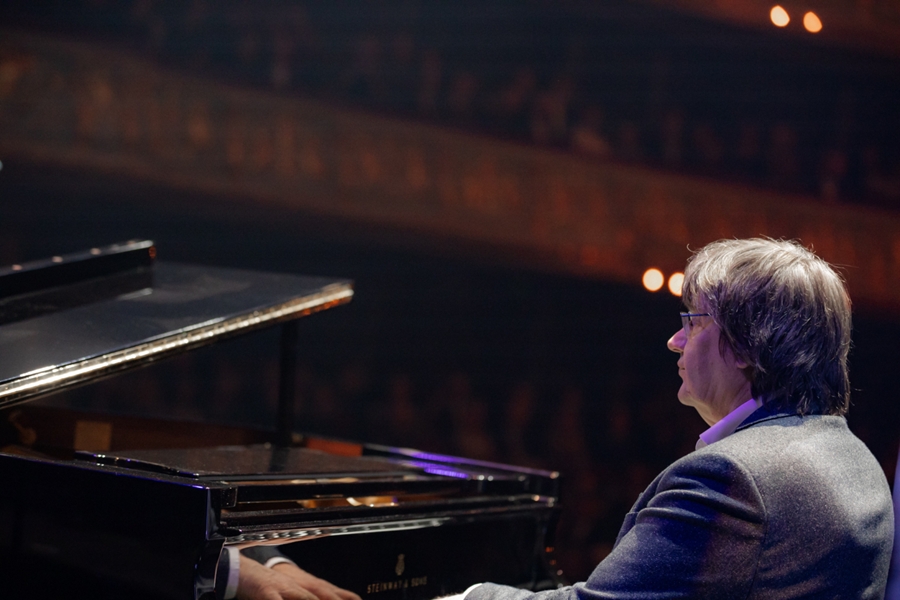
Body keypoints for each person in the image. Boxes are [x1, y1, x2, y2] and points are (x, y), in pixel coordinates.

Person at [456, 238, 894, 599]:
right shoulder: (856, 459)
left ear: (746, 345)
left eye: (694, 323)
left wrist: (470, 595)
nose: (675, 341)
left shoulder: (733, 477)